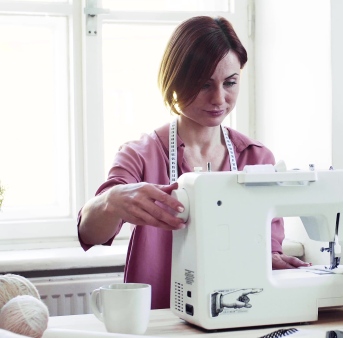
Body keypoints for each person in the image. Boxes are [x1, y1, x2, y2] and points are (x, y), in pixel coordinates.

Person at [77, 16, 309, 309]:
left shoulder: (257, 158)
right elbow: (90, 232)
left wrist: (273, 262)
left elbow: (269, 248)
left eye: (230, 83)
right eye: (203, 84)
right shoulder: (140, 155)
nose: (219, 98)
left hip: (236, 319)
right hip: (162, 322)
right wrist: (111, 201)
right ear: (176, 79)